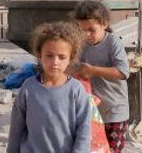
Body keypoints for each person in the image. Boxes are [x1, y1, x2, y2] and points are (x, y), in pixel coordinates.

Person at [8, 22, 92, 153]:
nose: (55, 62)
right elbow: (16, 129)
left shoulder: (76, 90)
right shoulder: (29, 88)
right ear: (39, 55)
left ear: (71, 58)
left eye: (62, 57)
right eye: (49, 55)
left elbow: (84, 131)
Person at [71, 1, 130, 153]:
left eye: (91, 30)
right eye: (82, 30)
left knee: (111, 149)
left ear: (104, 24)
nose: (86, 35)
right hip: (92, 113)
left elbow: (123, 72)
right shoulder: (82, 45)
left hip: (115, 111)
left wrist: (93, 70)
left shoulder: (113, 43)